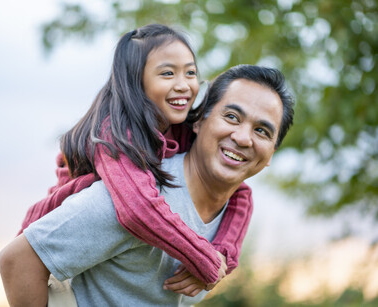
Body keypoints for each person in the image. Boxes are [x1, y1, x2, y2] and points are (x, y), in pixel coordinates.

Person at [0, 64, 295, 306]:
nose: (243, 138)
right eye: (231, 116)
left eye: (262, 131)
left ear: (270, 155)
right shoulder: (135, 194)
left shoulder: (232, 211)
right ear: (199, 121)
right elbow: (16, 260)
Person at [16, 23, 253, 287]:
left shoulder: (179, 128)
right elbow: (138, 208)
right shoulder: (112, 134)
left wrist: (223, 255)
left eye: (190, 73)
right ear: (135, 81)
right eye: (167, 74)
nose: (184, 85)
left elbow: (240, 193)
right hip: (54, 265)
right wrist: (202, 257)